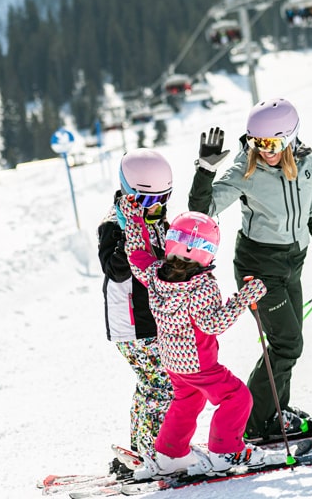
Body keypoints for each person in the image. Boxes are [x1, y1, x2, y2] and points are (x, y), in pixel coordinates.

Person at [188, 99, 312, 443]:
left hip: (293, 263)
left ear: (290, 139)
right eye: (257, 142)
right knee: (287, 343)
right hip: (257, 268)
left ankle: (274, 412)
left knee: (288, 343)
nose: (265, 151)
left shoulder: (308, 164)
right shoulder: (245, 168)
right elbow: (202, 210)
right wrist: (205, 169)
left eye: (272, 144)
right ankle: (254, 423)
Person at [117, 197, 268, 479]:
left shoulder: (154, 274)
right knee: (237, 397)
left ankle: (170, 454)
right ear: (207, 252)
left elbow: (137, 252)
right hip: (200, 363)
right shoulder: (201, 286)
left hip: (173, 361)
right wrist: (245, 297)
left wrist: (133, 215)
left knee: (187, 400)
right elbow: (213, 323)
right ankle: (225, 451)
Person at [97, 148, 175, 470]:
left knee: (153, 383)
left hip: (152, 318)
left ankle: (140, 450)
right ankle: (149, 452)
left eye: (163, 198)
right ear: (128, 193)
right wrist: (131, 228)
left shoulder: (158, 220)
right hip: (132, 322)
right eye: (146, 201)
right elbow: (115, 270)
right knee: (161, 384)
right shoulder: (112, 225)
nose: (154, 207)